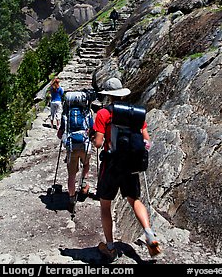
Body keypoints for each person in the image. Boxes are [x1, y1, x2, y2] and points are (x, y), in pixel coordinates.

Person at [92, 77, 161, 261]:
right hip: (131, 164)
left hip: (112, 165)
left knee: (105, 204)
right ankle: (149, 234)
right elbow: (147, 141)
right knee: (134, 200)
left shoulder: (103, 114)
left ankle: (110, 247)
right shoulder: (136, 113)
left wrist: (95, 139)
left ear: (108, 95)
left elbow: (98, 144)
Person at [57, 100, 94, 213]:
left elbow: (60, 134)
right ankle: (83, 184)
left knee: (71, 175)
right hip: (84, 145)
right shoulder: (87, 112)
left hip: (72, 147)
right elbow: (92, 129)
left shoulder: (66, 114)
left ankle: (72, 199)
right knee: (86, 163)